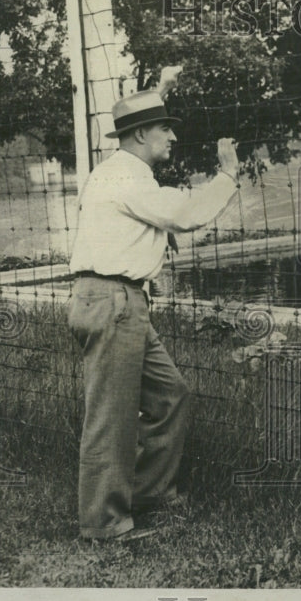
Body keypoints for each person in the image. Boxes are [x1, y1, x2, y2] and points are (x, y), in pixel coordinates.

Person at [66, 87, 238, 540]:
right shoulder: (127, 177)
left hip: (119, 302)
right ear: (140, 133)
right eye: (165, 128)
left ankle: (146, 492)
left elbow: (159, 220)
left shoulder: (120, 175)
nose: (172, 138)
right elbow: (184, 213)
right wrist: (227, 177)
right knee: (112, 415)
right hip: (114, 302)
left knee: (170, 396)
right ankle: (104, 524)